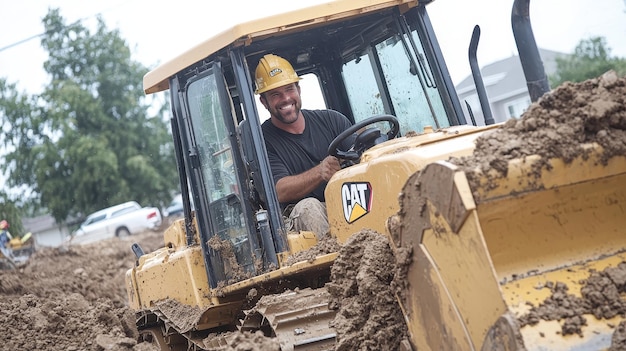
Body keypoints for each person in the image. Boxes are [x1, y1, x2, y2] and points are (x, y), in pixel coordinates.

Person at [254, 54, 355, 238]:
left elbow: (358, 154)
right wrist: (320, 171)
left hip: (345, 202)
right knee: (309, 207)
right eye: (275, 94)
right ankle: (343, 262)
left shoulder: (332, 120)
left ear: (298, 90)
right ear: (264, 101)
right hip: (297, 219)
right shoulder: (262, 142)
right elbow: (278, 191)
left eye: (289, 89)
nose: (285, 99)